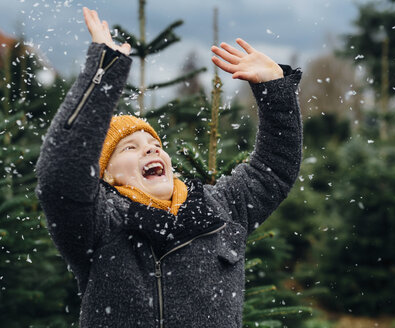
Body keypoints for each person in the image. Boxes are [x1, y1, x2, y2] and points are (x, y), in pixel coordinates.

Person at [35, 7, 302, 328]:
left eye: (155, 146)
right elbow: (60, 175)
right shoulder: (99, 223)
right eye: (130, 148)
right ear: (104, 174)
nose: (149, 149)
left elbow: (273, 169)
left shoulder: (221, 208)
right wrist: (103, 70)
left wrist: (275, 91)